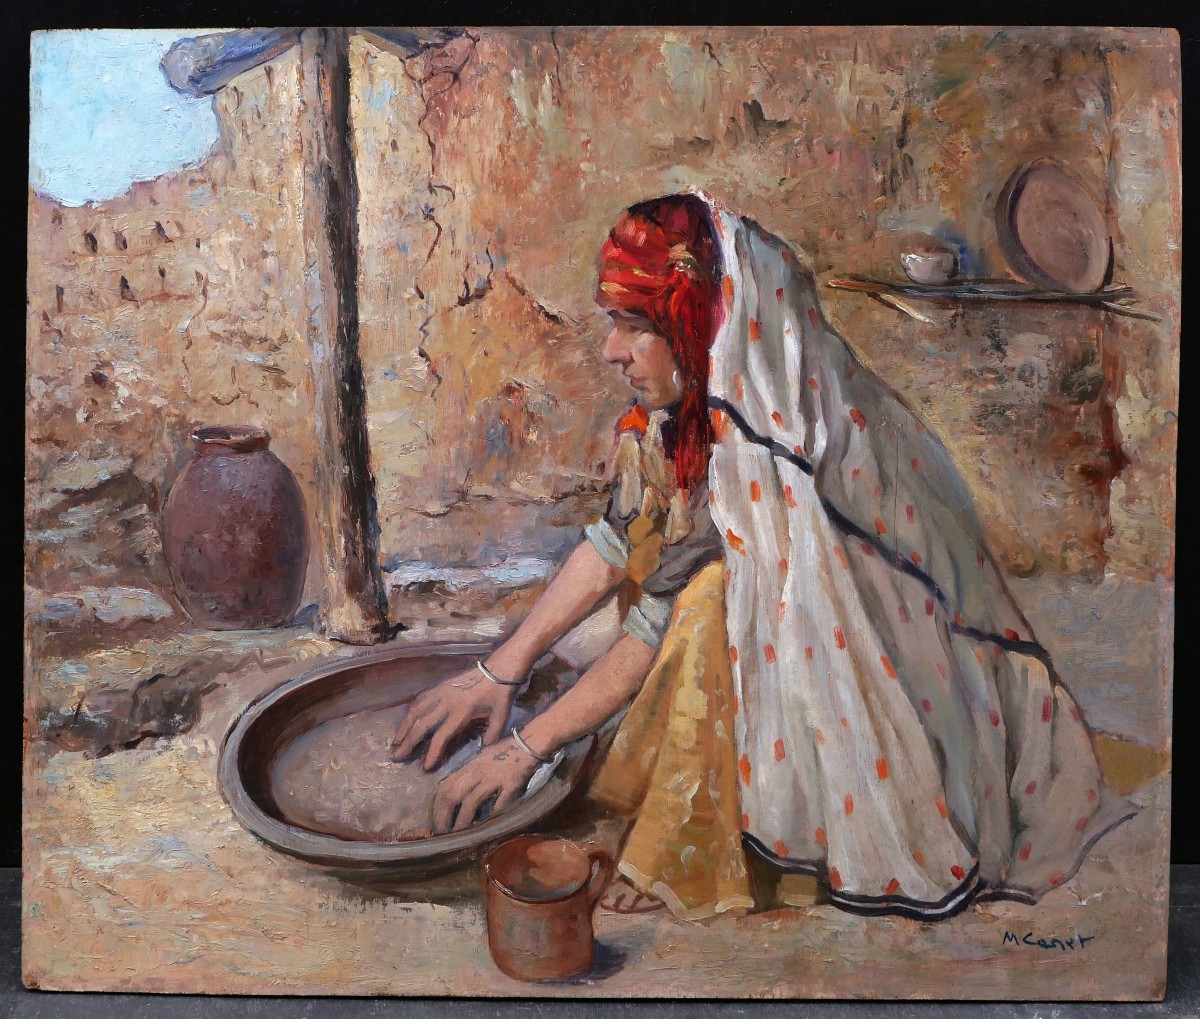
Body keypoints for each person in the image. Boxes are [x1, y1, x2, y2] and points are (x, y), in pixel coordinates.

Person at [391, 187, 1136, 921]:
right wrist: (500, 667)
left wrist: (527, 744)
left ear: (691, 324)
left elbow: (661, 621)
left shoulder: (760, 449)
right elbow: (620, 541)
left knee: (708, 602)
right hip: (744, 618)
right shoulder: (685, 410)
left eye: (634, 325)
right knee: (684, 601)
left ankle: (713, 834)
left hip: (887, 664)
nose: (612, 350)